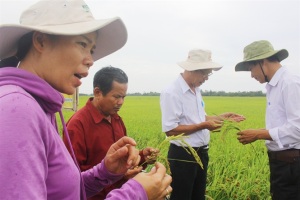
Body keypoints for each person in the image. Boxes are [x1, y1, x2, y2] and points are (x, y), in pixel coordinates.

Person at [0, 0, 172, 200]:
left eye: (91, 50)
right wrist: (135, 194)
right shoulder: (18, 109)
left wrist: (105, 171)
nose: (91, 60)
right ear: (41, 41)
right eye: (82, 44)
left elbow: (64, 193)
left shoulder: (41, 108)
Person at [160, 49, 245, 200]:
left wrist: (222, 117)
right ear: (192, 70)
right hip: (183, 155)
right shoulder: (172, 92)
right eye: (204, 74)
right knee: (182, 197)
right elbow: (170, 130)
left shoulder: (196, 89)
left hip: (201, 153)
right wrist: (204, 125)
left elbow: (200, 118)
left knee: (198, 196)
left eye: (208, 74)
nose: (206, 78)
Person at [64, 66, 159, 200]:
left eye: (123, 97)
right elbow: (71, 178)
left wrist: (143, 157)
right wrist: (116, 176)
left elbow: (122, 158)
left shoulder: (116, 119)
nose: (121, 102)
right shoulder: (77, 125)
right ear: (98, 92)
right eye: (116, 97)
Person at [235, 40, 300, 200]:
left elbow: (298, 129)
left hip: (292, 165)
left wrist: (259, 134)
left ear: (262, 62)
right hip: (283, 164)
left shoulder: (290, 83)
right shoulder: (274, 86)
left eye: (251, 69)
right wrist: (260, 134)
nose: (251, 75)